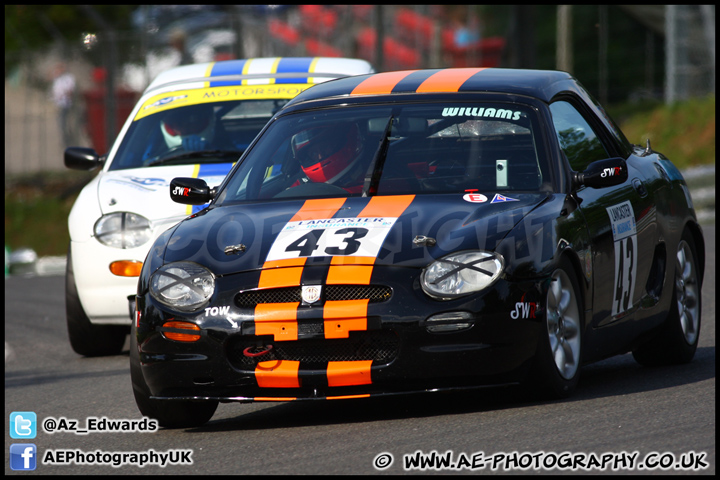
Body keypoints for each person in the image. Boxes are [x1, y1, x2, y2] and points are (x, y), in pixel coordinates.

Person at [291, 122, 367, 193]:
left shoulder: (372, 184)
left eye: (325, 147)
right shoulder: (299, 189)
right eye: (313, 153)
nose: (320, 156)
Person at [52, 62, 76, 148]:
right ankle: (65, 140)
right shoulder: (58, 79)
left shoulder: (68, 78)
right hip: (59, 104)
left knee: (65, 123)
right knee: (61, 123)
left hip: (66, 104)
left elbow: (70, 91)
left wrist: (64, 95)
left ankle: (68, 140)